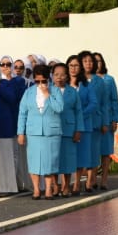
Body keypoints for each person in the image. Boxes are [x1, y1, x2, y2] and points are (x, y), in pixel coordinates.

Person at [18, 64, 64, 200]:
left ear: (48, 79)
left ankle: (49, 189)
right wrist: (21, 132)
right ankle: (37, 189)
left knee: (49, 161)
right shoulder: (29, 92)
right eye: (37, 81)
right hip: (33, 131)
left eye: (43, 81)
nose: (40, 84)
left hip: (51, 132)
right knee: (34, 161)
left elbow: (59, 108)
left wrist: (47, 95)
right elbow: (22, 113)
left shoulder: (55, 91)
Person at [53, 61, 85, 196]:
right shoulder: (48, 90)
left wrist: (78, 130)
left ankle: (66, 186)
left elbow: (79, 111)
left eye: (62, 75)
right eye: (56, 74)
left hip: (68, 130)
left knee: (67, 159)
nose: (59, 77)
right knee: (54, 159)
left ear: (67, 76)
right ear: (52, 76)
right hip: (52, 130)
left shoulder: (72, 92)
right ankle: (55, 186)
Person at [76, 51, 106, 194]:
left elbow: (104, 102)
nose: (88, 64)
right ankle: (79, 180)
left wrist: (106, 121)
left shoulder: (100, 80)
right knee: (81, 151)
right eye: (85, 61)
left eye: (90, 61)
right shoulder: (77, 80)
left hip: (95, 120)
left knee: (93, 152)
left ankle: (90, 181)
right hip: (79, 122)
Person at [0, 55, 28, 193]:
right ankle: (2, 183)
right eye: (2, 64)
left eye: (8, 64)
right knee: (2, 155)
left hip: (13, 121)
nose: (5, 67)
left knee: (13, 154)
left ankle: (13, 184)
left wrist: (7, 81)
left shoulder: (18, 81)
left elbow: (13, 98)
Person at [93, 52, 118, 190]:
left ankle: (104, 180)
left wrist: (115, 119)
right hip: (93, 119)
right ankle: (92, 179)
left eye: (99, 61)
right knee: (93, 151)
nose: (97, 64)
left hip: (107, 118)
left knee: (105, 151)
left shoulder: (109, 79)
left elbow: (114, 100)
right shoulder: (88, 79)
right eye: (94, 61)